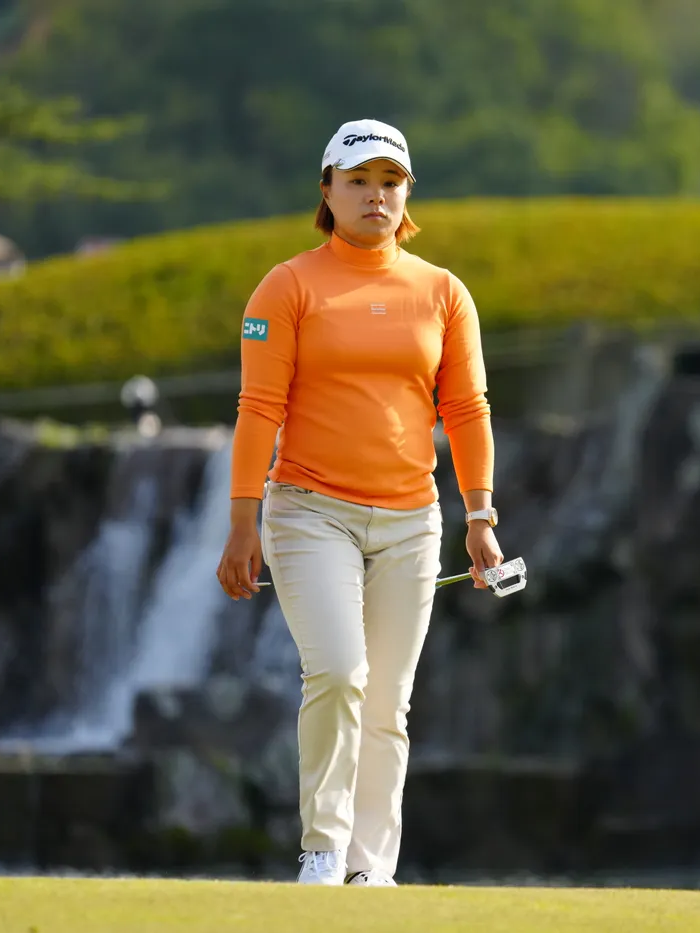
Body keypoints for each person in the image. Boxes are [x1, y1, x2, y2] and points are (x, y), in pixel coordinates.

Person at [214, 118, 504, 887]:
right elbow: (259, 408)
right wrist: (242, 520)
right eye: (358, 181)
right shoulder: (287, 286)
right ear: (327, 190)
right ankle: (323, 849)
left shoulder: (444, 293)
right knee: (340, 672)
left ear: (407, 193)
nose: (376, 195)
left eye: (390, 182)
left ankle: (371, 871)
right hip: (309, 510)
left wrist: (481, 517)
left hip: (412, 520)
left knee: (388, 703)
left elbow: (467, 408)